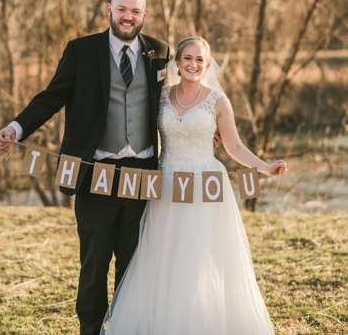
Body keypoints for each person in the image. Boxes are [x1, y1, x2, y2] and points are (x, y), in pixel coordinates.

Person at [0, 0, 171, 335]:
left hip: (143, 172)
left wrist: (206, 125)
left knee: (133, 261)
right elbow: (52, 96)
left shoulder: (159, 51)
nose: (128, 17)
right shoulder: (81, 50)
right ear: (109, 8)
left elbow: (174, 98)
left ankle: (125, 326)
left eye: (135, 12)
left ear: (145, 15)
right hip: (94, 172)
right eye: (122, 9)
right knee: (94, 261)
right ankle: (91, 328)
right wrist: (16, 128)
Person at [101, 36, 287, 335]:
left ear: (208, 64)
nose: (194, 64)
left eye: (200, 59)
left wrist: (264, 167)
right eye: (188, 58)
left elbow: (235, 147)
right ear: (177, 63)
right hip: (165, 186)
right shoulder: (161, 96)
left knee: (199, 257)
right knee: (162, 254)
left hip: (204, 186)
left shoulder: (218, 101)